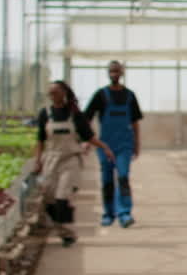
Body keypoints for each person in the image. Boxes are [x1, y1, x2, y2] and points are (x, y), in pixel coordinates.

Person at [33, 80, 114, 247]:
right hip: (51, 160)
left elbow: (88, 136)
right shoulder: (45, 114)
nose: (52, 96)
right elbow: (40, 140)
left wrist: (104, 147)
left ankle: (67, 232)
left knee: (62, 196)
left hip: (70, 160)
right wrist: (37, 161)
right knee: (48, 198)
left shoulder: (75, 114)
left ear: (64, 93)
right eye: (50, 93)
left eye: (55, 92)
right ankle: (62, 229)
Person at [84, 60, 144, 228]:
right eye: (111, 72)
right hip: (105, 145)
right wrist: (87, 140)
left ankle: (124, 213)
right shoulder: (101, 95)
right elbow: (86, 118)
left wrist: (137, 144)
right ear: (108, 73)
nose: (114, 75)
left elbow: (135, 122)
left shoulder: (130, 96)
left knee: (123, 176)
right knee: (107, 179)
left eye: (117, 71)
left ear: (122, 73)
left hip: (124, 144)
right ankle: (109, 213)